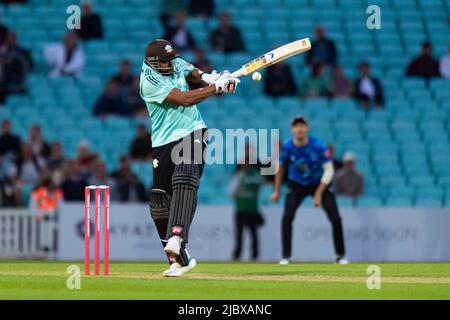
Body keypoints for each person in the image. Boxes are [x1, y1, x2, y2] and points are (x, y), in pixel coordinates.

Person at [140, 39, 240, 276]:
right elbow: (185, 98)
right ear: (153, 63)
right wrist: (217, 87)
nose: (170, 65)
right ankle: (179, 260)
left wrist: (209, 77)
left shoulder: (173, 62)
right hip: (163, 142)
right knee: (159, 202)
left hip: (193, 131)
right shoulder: (148, 80)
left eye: (171, 60)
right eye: (164, 62)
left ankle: (177, 235)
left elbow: (191, 72)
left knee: (185, 176)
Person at [271, 116, 348, 265]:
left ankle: (341, 255)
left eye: (302, 125)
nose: (299, 128)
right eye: (296, 126)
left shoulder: (318, 145)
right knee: (287, 217)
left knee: (336, 218)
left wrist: (318, 194)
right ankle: (285, 256)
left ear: (307, 128)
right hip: (296, 184)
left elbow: (329, 170)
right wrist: (277, 190)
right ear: (292, 129)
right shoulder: (287, 146)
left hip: (318, 183)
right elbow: (280, 168)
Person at [229, 145, 264, 261]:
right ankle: (241, 255)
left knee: (250, 233)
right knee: (243, 233)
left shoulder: (249, 174)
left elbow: (232, 192)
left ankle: (250, 255)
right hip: (244, 208)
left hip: (249, 208)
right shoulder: (251, 175)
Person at [0, 31, 33, 101]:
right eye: (8, 38)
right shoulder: (2, 51)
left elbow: (30, 66)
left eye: (12, 38)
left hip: (16, 82)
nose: (10, 40)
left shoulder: (24, 53)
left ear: (16, 39)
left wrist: (11, 63)